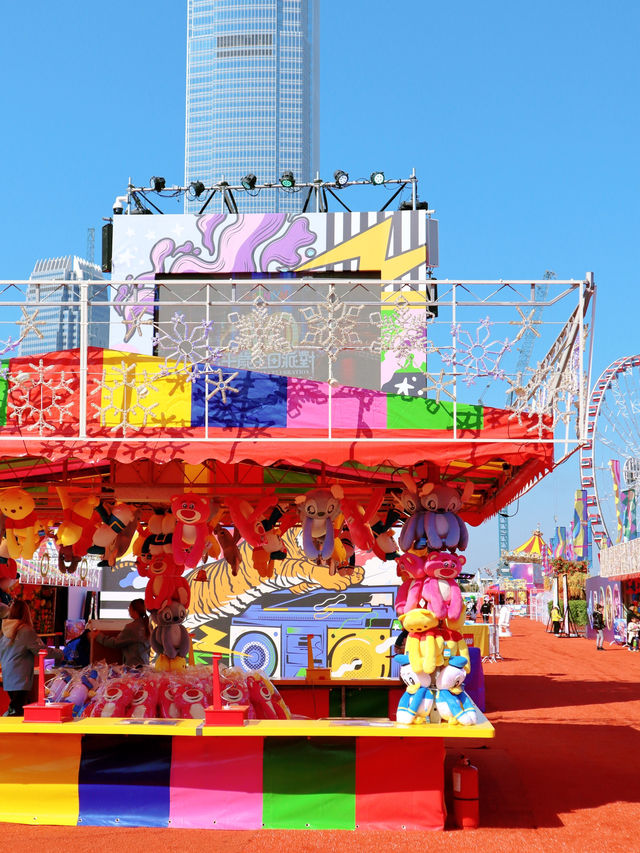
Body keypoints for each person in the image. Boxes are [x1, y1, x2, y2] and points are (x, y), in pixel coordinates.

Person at [0, 600, 62, 715]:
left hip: (8, 676)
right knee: (16, 711)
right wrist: (61, 653)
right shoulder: (25, 630)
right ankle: (9, 731)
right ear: (26, 613)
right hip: (20, 677)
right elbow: (41, 650)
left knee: (15, 708)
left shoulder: (4, 630)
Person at [94, 598, 151, 667]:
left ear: (134, 611)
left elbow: (115, 643)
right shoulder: (147, 625)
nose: (128, 610)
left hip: (134, 668)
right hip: (145, 666)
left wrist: (98, 636)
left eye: (129, 608)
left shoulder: (132, 628)